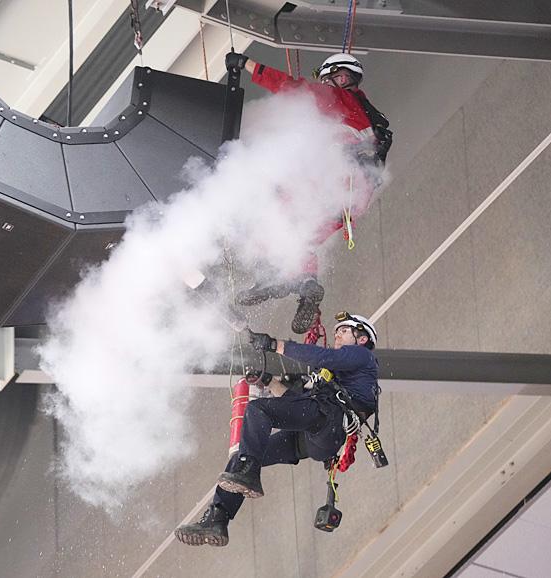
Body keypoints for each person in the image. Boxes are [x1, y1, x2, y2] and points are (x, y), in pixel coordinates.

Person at [174, 312, 379, 547]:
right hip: (314, 436)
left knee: (257, 410)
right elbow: (296, 405)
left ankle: (248, 473)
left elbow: (322, 357)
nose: (337, 335)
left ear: (361, 339)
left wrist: (275, 345)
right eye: (336, 332)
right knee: (242, 457)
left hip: (327, 421)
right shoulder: (336, 378)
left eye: (343, 331)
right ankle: (218, 518)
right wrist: (268, 382)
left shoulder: (362, 356)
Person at [224, 51, 393, 334]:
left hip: (332, 181)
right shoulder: (369, 117)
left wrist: (246, 64)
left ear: (339, 76)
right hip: (352, 199)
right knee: (301, 238)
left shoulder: (337, 99)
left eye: (328, 77)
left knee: (271, 212)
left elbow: (290, 88)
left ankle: (273, 276)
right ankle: (304, 284)